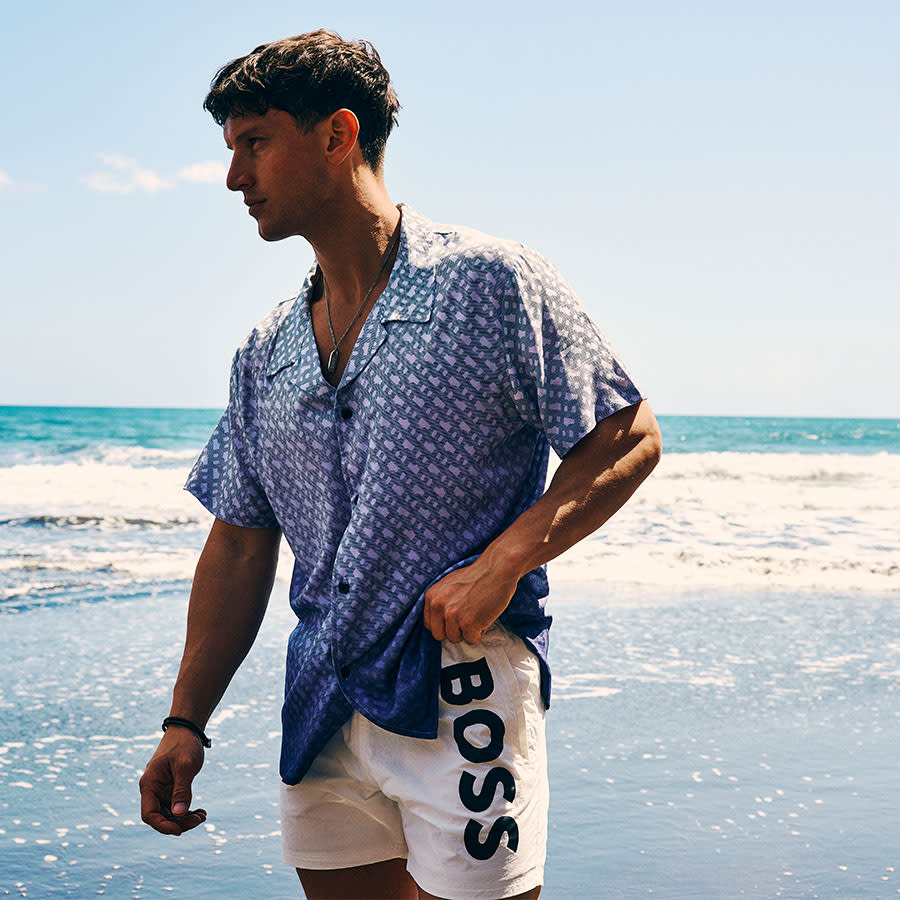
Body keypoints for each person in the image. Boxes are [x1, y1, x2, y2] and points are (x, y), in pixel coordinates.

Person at [139, 28, 662, 900]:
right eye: (231, 150)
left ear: (339, 135)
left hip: (462, 686)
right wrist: (184, 718)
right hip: (322, 701)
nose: (235, 178)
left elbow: (627, 436)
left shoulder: (490, 282)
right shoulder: (265, 347)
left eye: (255, 143)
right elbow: (238, 544)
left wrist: (504, 563)